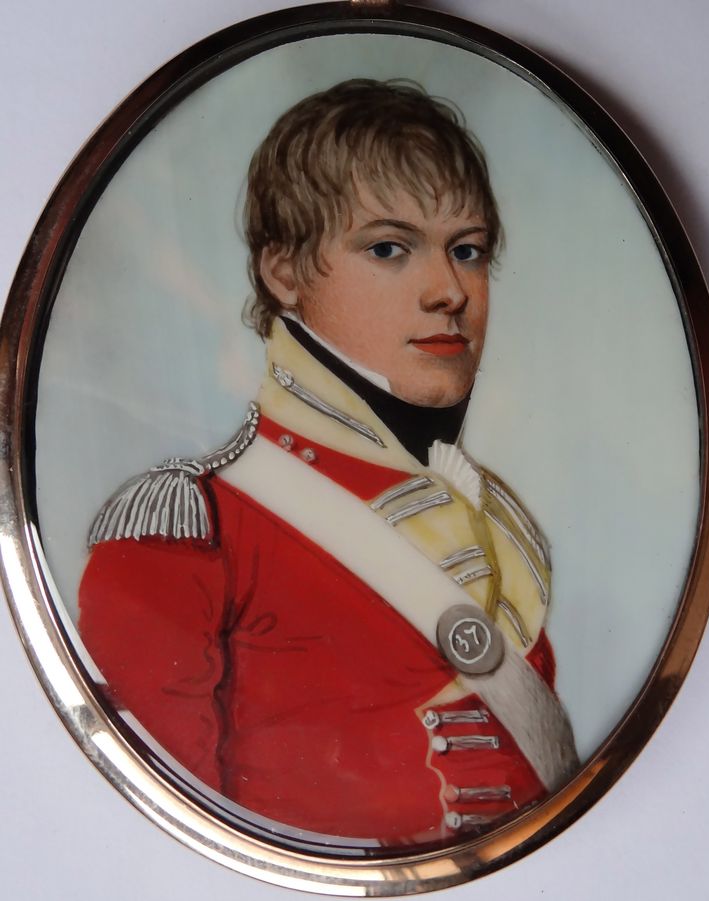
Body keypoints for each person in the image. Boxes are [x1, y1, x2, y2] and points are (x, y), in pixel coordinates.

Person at [79, 79, 578, 848]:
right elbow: (172, 843)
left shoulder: (494, 523)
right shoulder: (189, 533)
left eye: (469, 251)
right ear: (285, 273)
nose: (450, 291)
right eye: (388, 247)